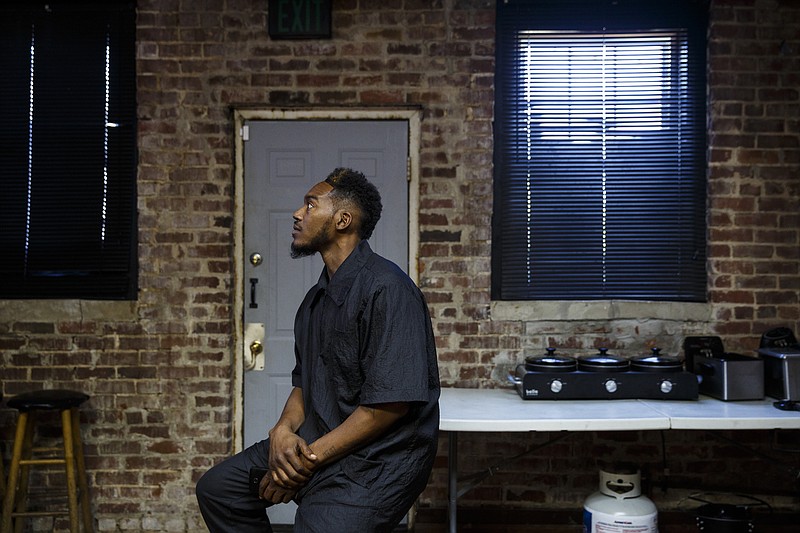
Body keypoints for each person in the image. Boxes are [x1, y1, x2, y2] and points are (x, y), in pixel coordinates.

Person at [196, 167, 440, 532]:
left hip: (377, 462)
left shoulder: (389, 290)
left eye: (310, 205)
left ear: (343, 220)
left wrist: (302, 464)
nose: (298, 214)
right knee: (220, 490)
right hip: (321, 441)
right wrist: (281, 432)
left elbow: (387, 408)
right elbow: (305, 384)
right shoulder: (315, 300)